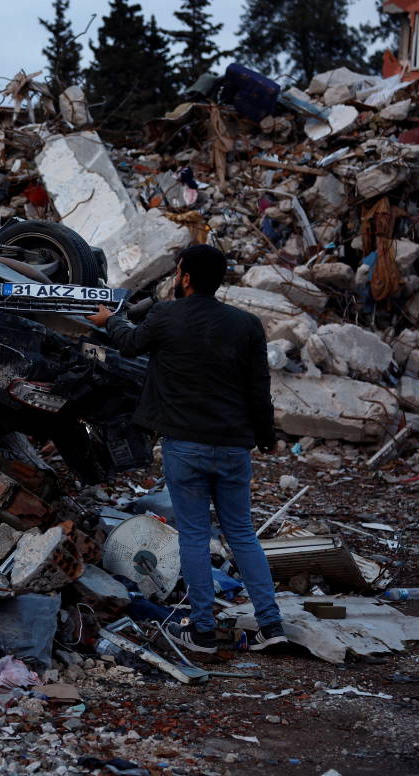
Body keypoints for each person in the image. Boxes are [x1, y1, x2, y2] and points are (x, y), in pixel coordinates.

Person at [86, 244, 287, 654]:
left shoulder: (165, 316)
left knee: (194, 536)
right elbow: (258, 390)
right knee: (243, 535)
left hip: (186, 447)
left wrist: (110, 320)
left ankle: (202, 632)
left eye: (178, 271)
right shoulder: (246, 325)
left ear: (187, 278)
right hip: (233, 448)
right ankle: (272, 625)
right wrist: (265, 437)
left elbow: (129, 343)